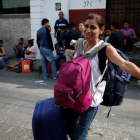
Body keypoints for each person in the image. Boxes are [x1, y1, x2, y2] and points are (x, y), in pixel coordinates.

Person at [65, 13, 140, 140]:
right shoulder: (79, 43)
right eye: (86, 26)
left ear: (102, 30)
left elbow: (124, 64)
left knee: (80, 135)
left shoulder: (105, 49)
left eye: (93, 27)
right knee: (68, 127)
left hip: (91, 98)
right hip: (74, 95)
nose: (88, 30)